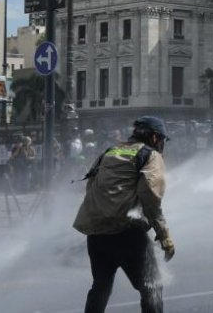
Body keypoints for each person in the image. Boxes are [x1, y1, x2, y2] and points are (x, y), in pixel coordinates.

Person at [73, 116, 175, 313]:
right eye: (162, 140)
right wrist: (164, 236)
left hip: (96, 234)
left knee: (101, 286)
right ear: (155, 137)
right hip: (127, 234)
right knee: (152, 287)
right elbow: (150, 196)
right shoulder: (150, 155)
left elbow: (91, 185)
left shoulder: (111, 151)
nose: (162, 145)